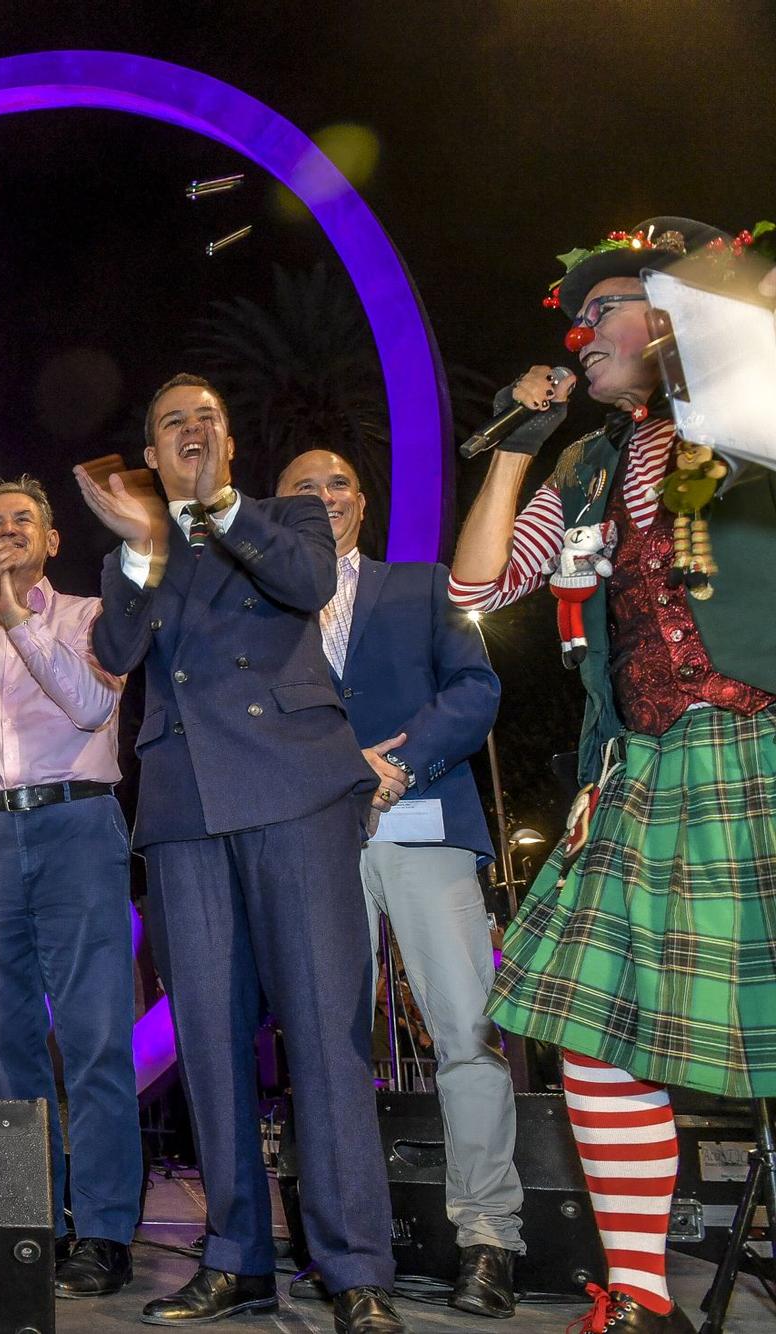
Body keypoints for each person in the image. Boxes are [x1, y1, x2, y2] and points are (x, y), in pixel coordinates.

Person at [450, 218, 776, 1334]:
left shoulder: (746, 405)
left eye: (611, 306)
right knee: (587, 1023)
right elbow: (477, 588)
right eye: (575, 317)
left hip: (762, 734)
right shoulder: (588, 461)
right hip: (637, 761)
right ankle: (638, 1294)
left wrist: (716, 308)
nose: (581, 329)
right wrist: (516, 442)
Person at [76, 375, 402, 1334]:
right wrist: (143, 544)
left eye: (205, 417)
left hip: (295, 791)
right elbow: (121, 649)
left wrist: (216, 512)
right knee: (210, 1045)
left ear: (226, 440)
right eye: (170, 421)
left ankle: (355, 1269)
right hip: (184, 807)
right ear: (148, 446)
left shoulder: (285, 514)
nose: (190, 430)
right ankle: (237, 1261)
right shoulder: (139, 547)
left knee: (325, 1036)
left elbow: (304, 584)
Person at [276, 450, 520, 1316]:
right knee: (326, 1044)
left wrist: (401, 763)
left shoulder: (422, 588)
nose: (322, 497)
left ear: (362, 502)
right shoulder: (267, 608)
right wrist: (340, 769)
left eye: (336, 483)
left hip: (425, 825)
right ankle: (342, 1244)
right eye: (302, 487)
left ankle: (489, 1238)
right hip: (316, 838)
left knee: (465, 1031)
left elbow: (475, 687)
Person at [0, 477, 142, 1300]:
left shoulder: (87, 616)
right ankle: (32, 1222)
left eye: (23, 521)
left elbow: (89, 706)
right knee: (3, 1038)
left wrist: (14, 615)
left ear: (52, 541)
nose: (6, 531)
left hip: (75, 823)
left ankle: (107, 1226)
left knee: (93, 1034)